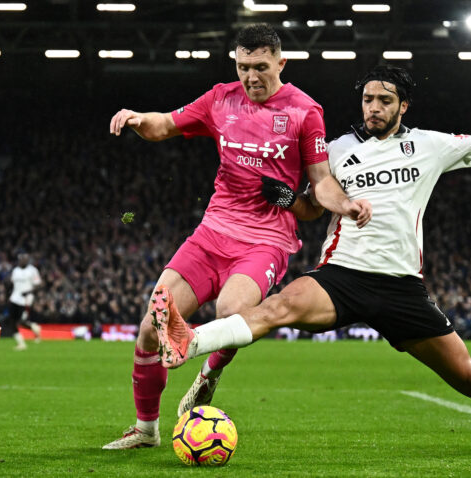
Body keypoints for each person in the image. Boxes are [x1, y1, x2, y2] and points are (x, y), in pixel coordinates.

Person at [152, 65, 471, 450]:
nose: (373, 108)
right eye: (368, 99)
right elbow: (313, 208)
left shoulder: (431, 145)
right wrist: (291, 198)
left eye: (384, 100)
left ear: (403, 105)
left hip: (402, 287)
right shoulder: (337, 151)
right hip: (342, 274)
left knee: (469, 377)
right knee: (276, 308)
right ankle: (189, 342)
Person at [102, 24, 371, 450]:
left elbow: (320, 184)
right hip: (212, 233)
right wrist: (137, 120)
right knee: (150, 331)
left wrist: (347, 204)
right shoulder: (220, 98)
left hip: (266, 240)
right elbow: (165, 124)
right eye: (244, 67)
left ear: (281, 63)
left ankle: (209, 372)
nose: (251, 77)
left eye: (261, 67)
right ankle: (146, 429)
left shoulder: (305, 111)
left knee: (232, 310)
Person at [6, 253, 42, 350]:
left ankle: (35, 328)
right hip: (15, 298)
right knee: (12, 321)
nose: (23, 261)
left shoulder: (33, 270)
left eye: (25, 259)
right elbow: (13, 283)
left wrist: (29, 291)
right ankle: (21, 343)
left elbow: (39, 284)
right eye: (21, 259)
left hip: (26, 299)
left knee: (22, 321)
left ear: (28, 260)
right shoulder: (15, 271)